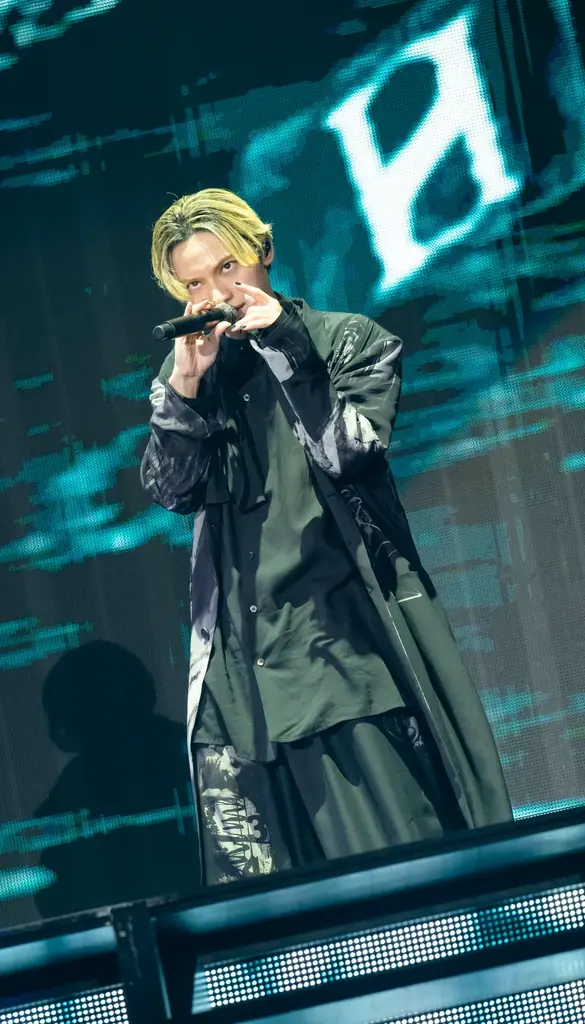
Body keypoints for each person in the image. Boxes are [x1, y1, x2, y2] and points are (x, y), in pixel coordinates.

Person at [140, 188, 511, 885]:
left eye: (227, 268)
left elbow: (350, 452)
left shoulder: (346, 340)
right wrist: (185, 390)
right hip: (243, 668)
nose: (216, 294)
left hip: (342, 644)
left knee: (403, 874)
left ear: (264, 251)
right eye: (193, 284)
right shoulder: (193, 373)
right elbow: (171, 490)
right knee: (282, 898)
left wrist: (285, 346)